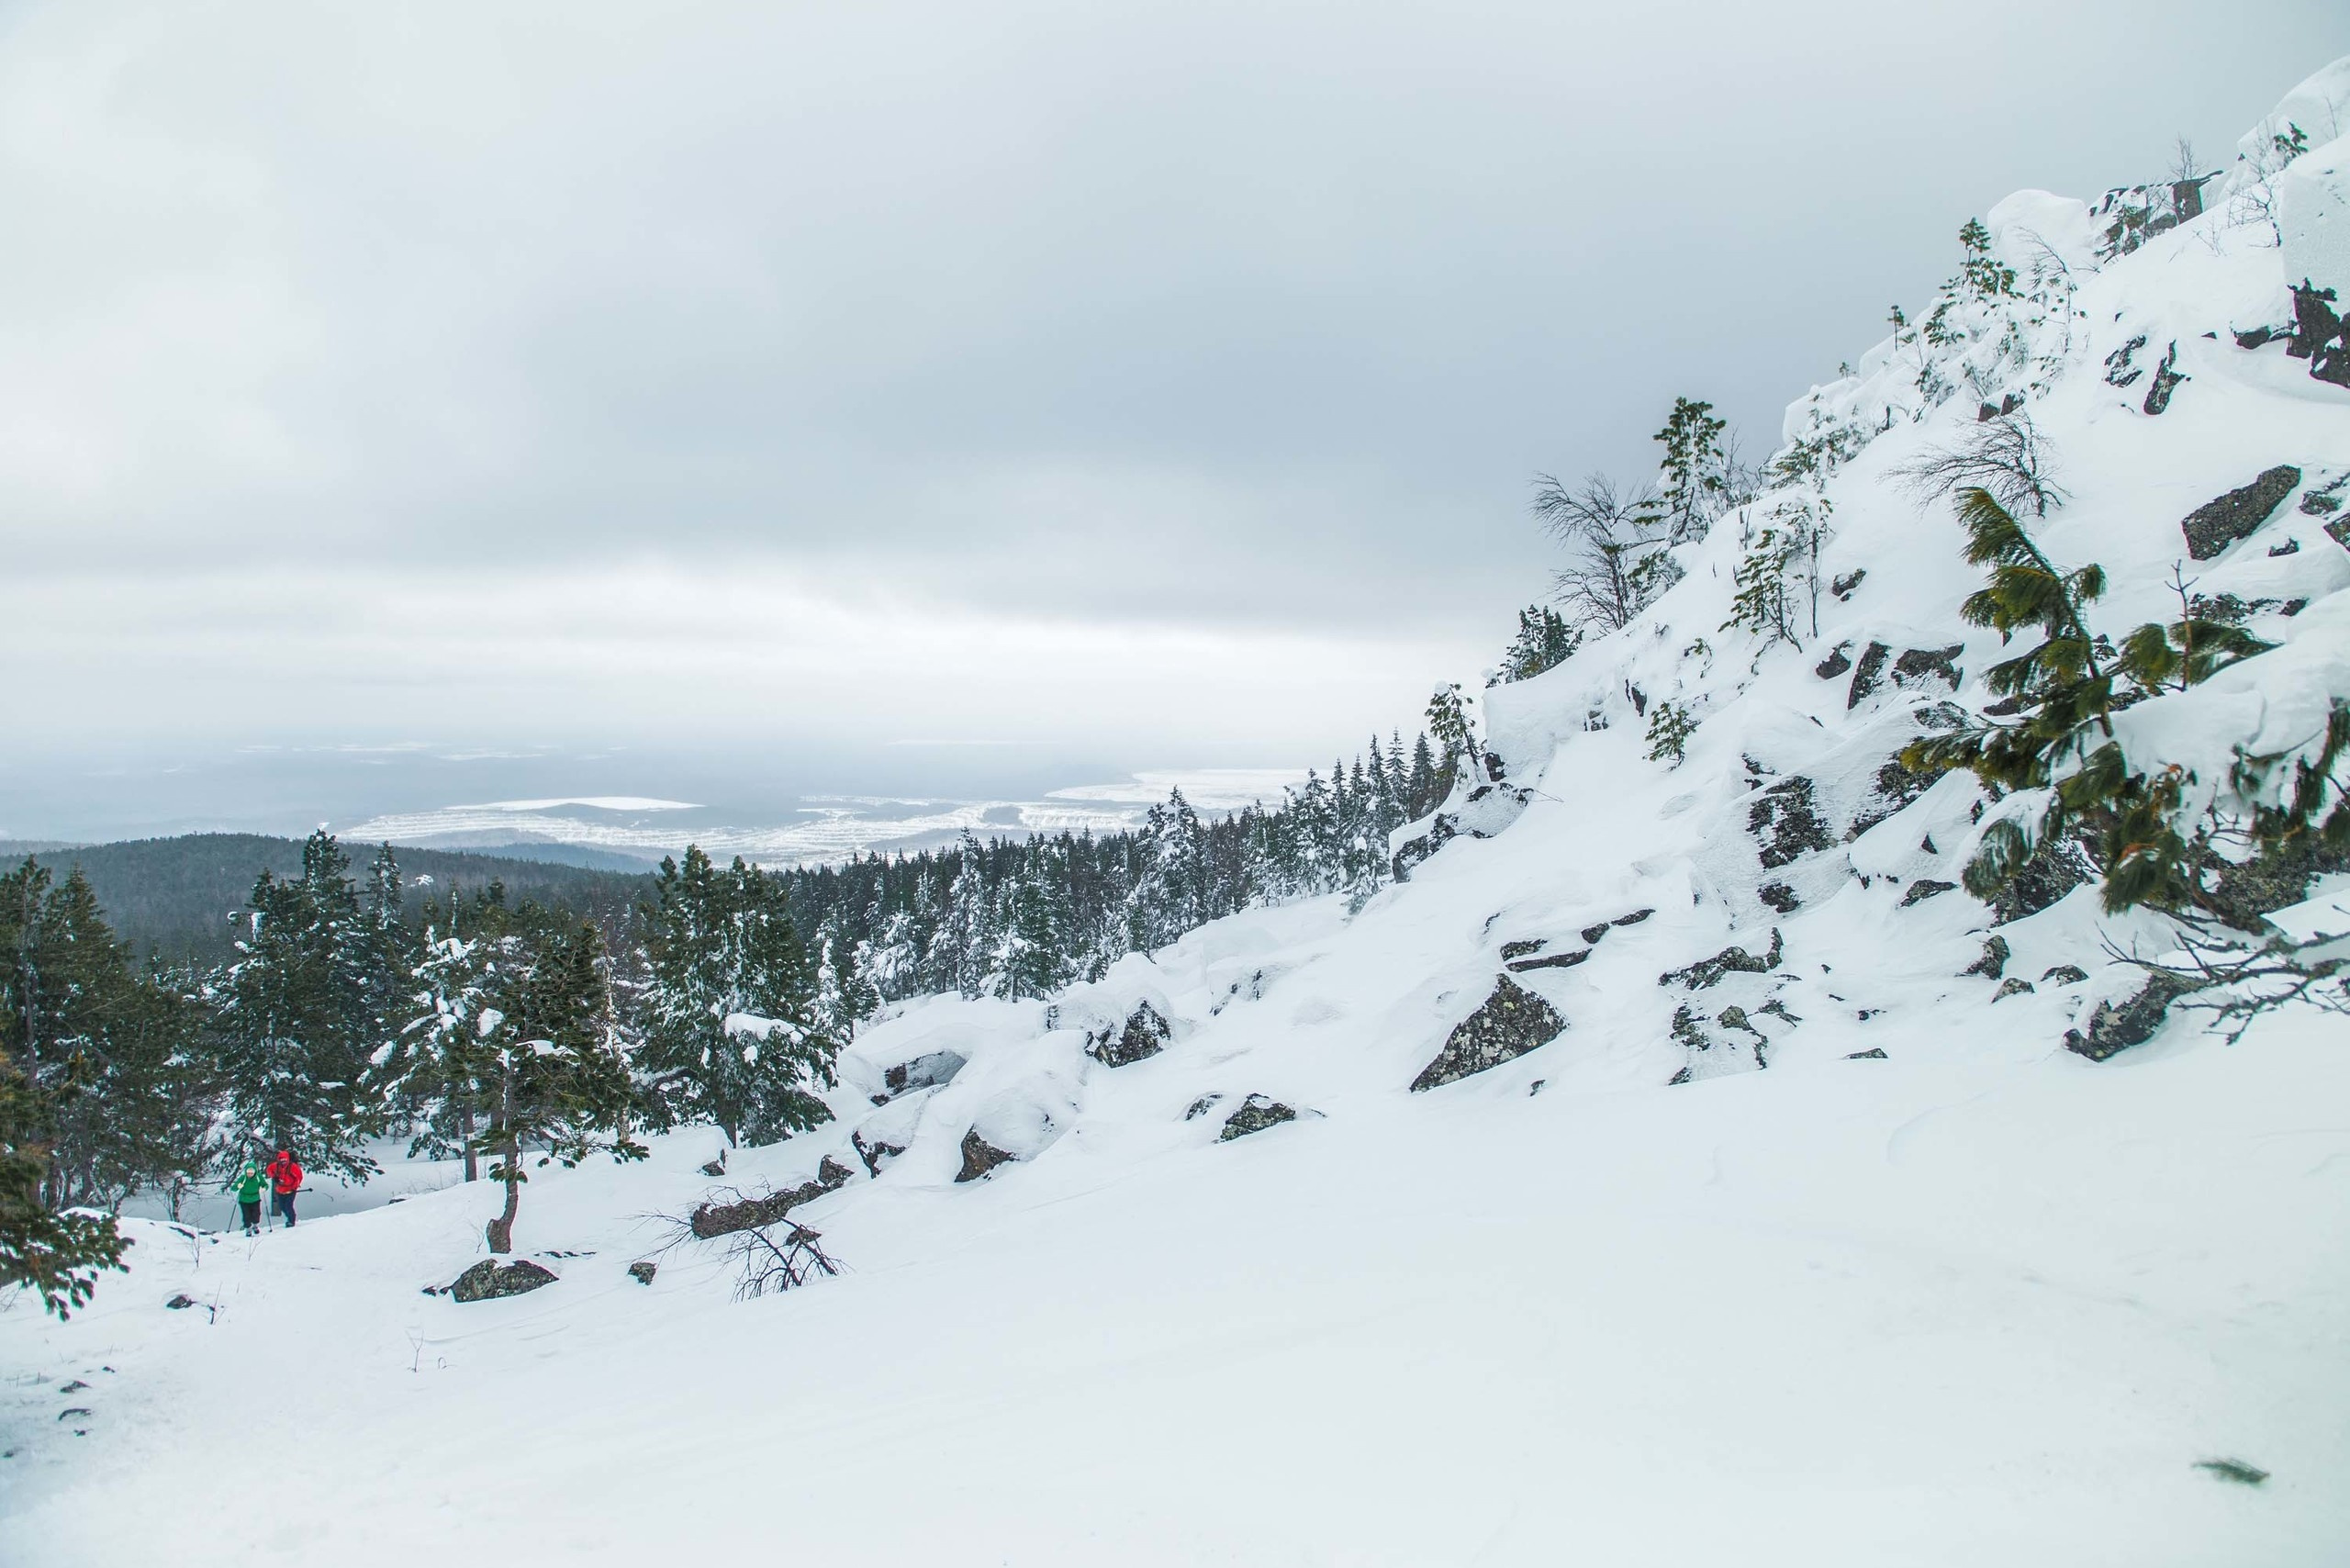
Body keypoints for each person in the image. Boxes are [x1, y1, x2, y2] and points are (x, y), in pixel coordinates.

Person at [229, 1153, 267, 1235]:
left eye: (251, 1173)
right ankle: (248, 1229)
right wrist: (238, 1186)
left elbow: (265, 1185)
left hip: (255, 1199)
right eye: (248, 1173)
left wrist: (263, 1188)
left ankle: (255, 1225)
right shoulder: (243, 1178)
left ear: (255, 1172)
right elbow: (233, 1188)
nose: (250, 1174)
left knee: (256, 1214)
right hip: (244, 1200)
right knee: (246, 1216)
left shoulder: (258, 1177)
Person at [266, 1148, 304, 1228]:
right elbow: (269, 1170)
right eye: (281, 1159)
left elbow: (299, 1177)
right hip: (280, 1190)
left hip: (291, 1190)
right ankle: (290, 1217)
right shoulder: (275, 1166)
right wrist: (274, 1177)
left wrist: (294, 1187)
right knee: (282, 1207)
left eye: (285, 1160)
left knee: (288, 1206)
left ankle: (291, 1221)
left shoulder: (293, 1167)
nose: (283, 1161)